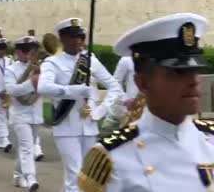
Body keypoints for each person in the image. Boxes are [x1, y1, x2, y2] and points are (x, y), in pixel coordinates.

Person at [78, 13, 214, 192]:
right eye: (177, 72)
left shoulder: (210, 140)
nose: (193, 81)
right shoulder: (112, 159)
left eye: (195, 70)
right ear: (142, 83)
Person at [37, 18, 123, 192]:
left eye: (80, 36)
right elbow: (43, 87)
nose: (77, 41)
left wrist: (100, 111)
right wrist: (71, 91)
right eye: (72, 37)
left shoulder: (90, 60)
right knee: (74, 176)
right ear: (62, 38)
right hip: (66, 127)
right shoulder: (53, 63)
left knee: (88, 176)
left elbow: (115, 87)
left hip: (89, 126)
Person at [5, 36, 44, 191]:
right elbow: (11, 90)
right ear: (18, 51)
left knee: (26, 146)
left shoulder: (40, 67)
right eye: (26, 50)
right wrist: (31, 83)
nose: (30, 54)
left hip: (36, 112)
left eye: (33, 50)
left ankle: (18, 174)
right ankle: (31, 177)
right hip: (19, 114)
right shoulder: (11, 69)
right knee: (27, 147)